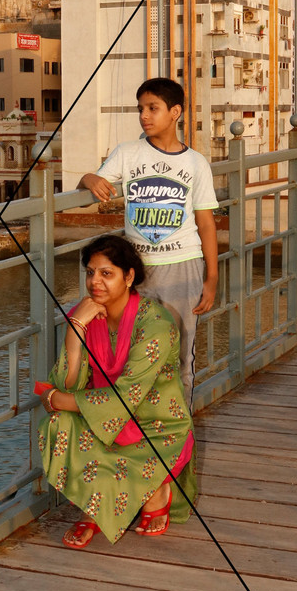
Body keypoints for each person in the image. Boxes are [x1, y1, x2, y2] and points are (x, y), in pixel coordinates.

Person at [36, 235, 197, 548]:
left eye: (106, 274)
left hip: (155, 428)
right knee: (57, 425)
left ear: (129, 277)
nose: (95, 282)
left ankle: (157, 491)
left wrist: (56, 400)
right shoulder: (83, 315)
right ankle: (96, 505)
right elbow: (68, 382)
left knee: (64, 412)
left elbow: (123, 399)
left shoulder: (156, 324)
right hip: (103, 419)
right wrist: (74, 332)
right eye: (90, 272)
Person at [78, 77, 218, 406]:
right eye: (141, 109)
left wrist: (211, 278)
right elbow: (90, 184)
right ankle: (138, 427)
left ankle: (179, 429)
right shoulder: (128, 153)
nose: (144, 115)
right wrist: (89, 178)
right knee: (131, 350)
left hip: (183, 267)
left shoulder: (196, 163)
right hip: (134, 272)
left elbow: (206, 224)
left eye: (153, 108)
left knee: (182, 352)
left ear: (175, 112)